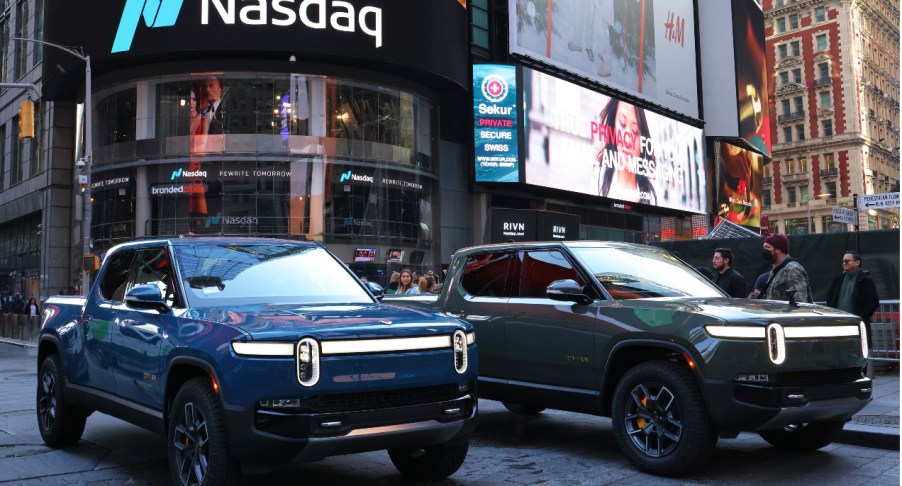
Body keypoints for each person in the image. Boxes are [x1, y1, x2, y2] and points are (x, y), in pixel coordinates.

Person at [595, 98, 657, 205]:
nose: (628, 140)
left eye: (635, 132)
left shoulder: (652, 195)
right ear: (613, 126)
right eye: (622, 124)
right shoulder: (597, 177)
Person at [826, 251, 880, 339]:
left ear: (857, 262)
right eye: (843, 261)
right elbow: (830, 298)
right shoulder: (839, 278)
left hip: (857, 323)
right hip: (838, 323)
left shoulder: (865, 279)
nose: (844, 263)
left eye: (847, 261)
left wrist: (860, 317)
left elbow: (874, 301)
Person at [760, 234, 811, 303]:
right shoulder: (776, 270)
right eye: (764, 247)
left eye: (767, 247)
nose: (764, 250)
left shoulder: (792, 269)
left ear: (778, 250)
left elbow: (800, 303)